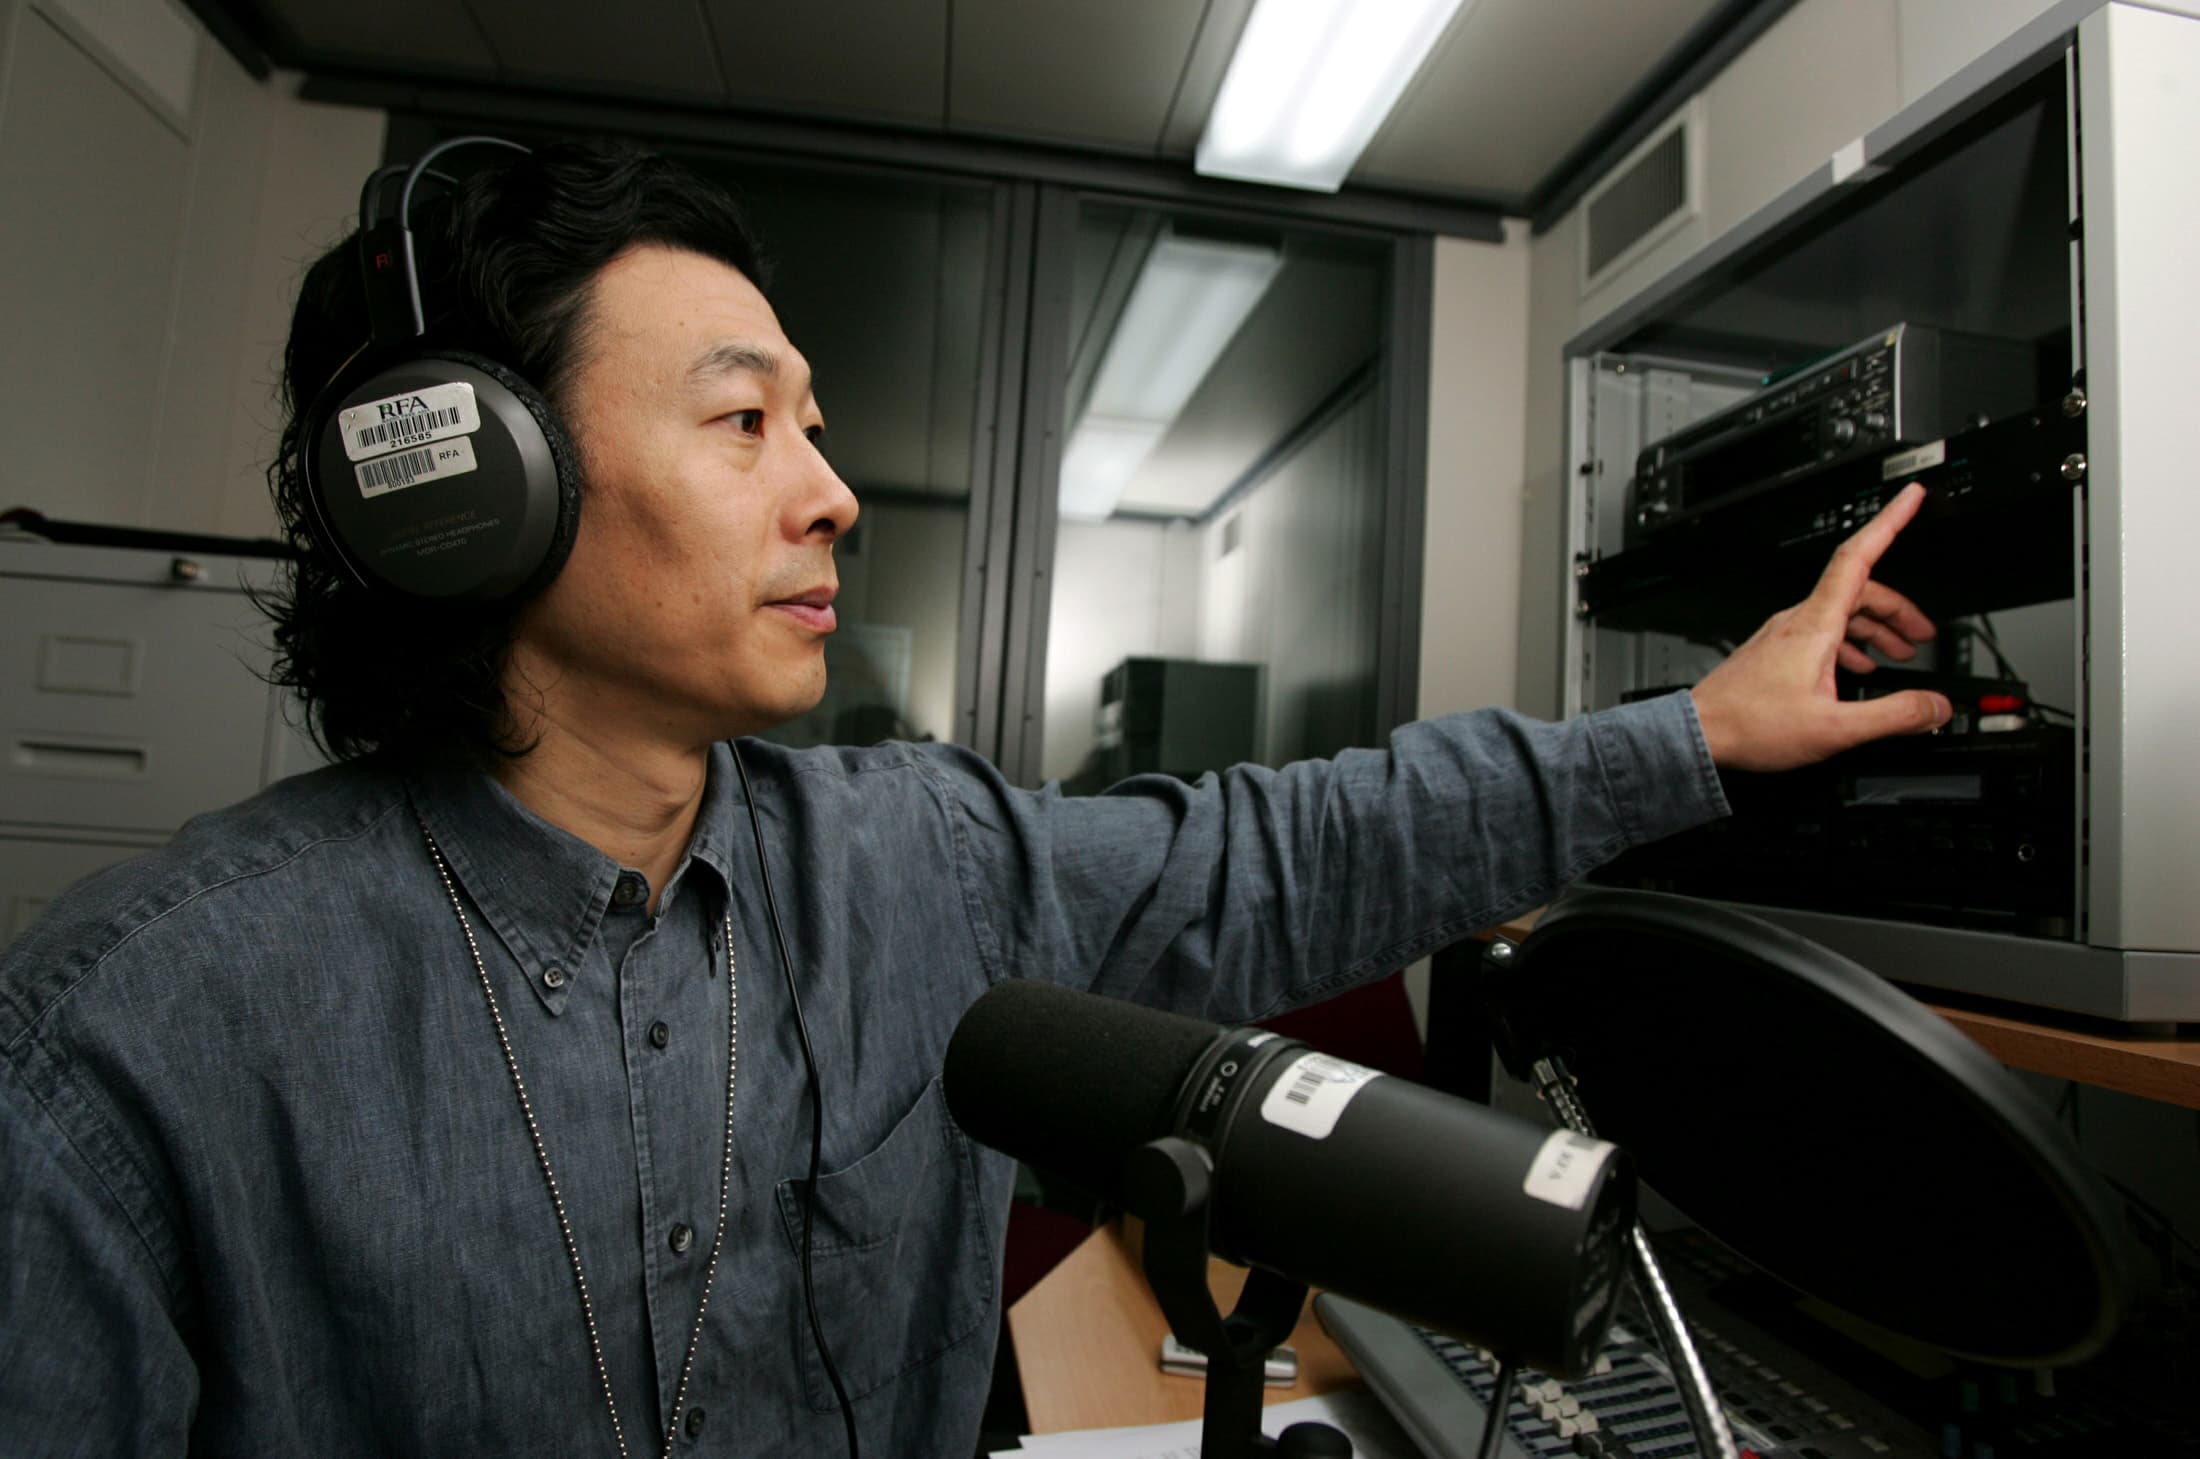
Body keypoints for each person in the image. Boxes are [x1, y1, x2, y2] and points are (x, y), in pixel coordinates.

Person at [0, 140, 1951, 1457]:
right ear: (469, 484)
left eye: (819, 427)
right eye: (744, 419)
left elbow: (1294, 849)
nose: (827, 489)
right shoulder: (132, 1035)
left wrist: (1693, 734)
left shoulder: (912, 855)